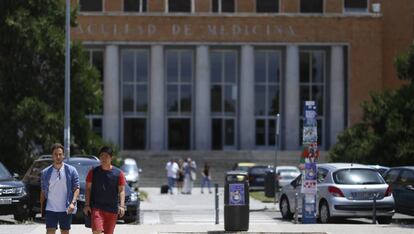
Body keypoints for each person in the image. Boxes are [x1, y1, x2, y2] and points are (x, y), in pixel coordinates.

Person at [83, 146, 126, 234]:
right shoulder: (93, 172)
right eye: (101, 156)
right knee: (97, 231)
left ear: (111, 158)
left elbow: (121, 191)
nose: (103, 158)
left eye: (106, 156)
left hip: (112, 209)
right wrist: (87, 205)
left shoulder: (118, 174)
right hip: (97, 208)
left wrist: (121, 206)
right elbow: (88, 189)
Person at [40, 143, 80, 234]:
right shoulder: (45, 172)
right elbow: (43, 191)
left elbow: (76, 188)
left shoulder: (71, 170)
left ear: (63, 155)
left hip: (66, 208)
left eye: (60, 154)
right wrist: (42, 209)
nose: (58, 156)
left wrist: (73, 203)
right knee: (50, 231)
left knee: (65, 231)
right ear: (52, 156)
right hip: (50, 209)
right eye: (55, 154)